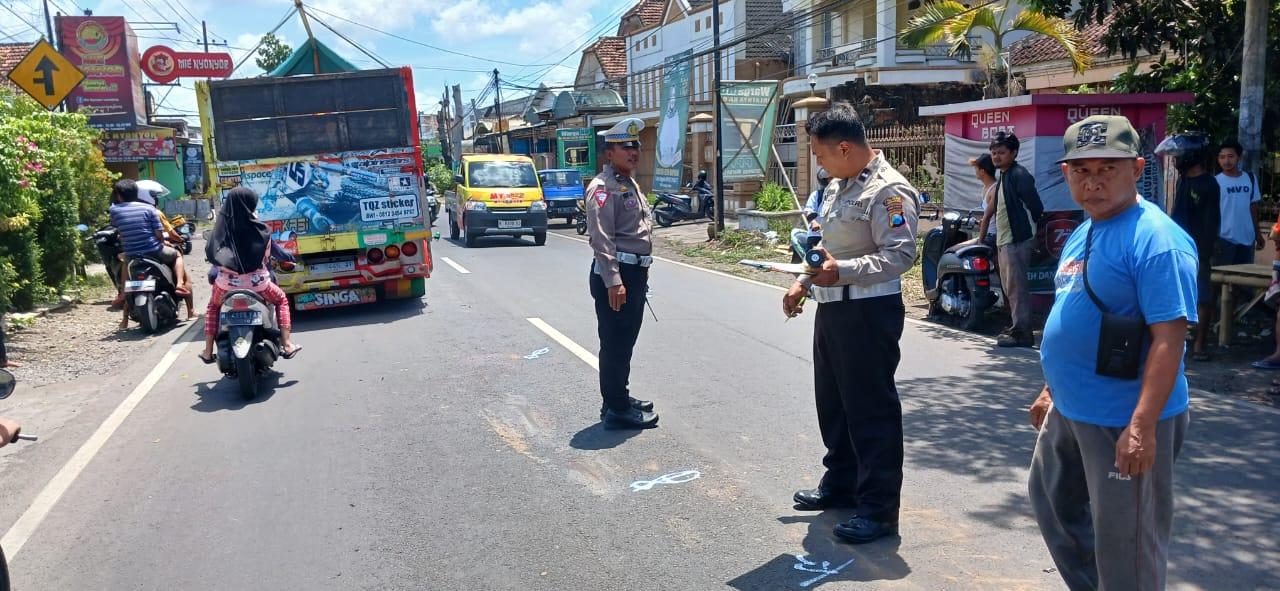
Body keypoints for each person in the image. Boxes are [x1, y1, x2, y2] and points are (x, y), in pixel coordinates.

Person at [1029, 115, 1195, 591]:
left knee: (1128, 547)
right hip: (1072, 406)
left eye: (1108, 168)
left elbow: (1169, 339)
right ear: (1066, 174)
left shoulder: (1157, 240)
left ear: (1137, 168)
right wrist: (1050, 389)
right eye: (1081, 170)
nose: (1093, 181)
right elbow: (1072, 307)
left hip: (1125, 416)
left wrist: (1141, 428)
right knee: (1052, 502)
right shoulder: (1086, 229)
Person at [784, 102, 919, 544]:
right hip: (833, 307)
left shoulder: (890, 192)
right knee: (834, 403)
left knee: (870, 410)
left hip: (868, 313)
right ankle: (840, 484)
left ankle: (879, 510)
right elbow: (822, 245)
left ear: (844, 147)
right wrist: (803, 283)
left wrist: (841, 271)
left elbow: (899, 255)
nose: (818, 163)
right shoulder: (838, 185)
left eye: (821, 155)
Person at [586, 118, 658, 430]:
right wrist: (614, 280)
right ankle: (616, 409)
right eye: (626, 146)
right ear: (609, 152)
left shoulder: (626, 182)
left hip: (634, 273)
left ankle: (618, 397)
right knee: (615, 343)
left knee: (624, 341)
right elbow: (601, 239)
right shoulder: (603, 189)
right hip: (618, 275)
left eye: (636, 145)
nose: (634, 151)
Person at [198, 187, 300, 364]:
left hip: (225, 286)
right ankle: (287, 343)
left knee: (213, 308)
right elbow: (273, 254)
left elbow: (212, 255)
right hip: (259, 285)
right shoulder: (263, 230)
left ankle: (207, 351)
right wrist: (290, 257)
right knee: (281, 300)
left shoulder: (221, 230)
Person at [976, 132, 1044, 348]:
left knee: (1017, 288)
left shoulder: (1019, 175)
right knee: (1010, 287)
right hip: (1005, 240)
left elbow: (1035, 207)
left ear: (1014, 153)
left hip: (1017, 239)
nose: (996, 156)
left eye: (1001, 152)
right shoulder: (1005, 175)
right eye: (994, 153)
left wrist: (1032, 234)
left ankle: (1023, 332)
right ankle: (1017, 326)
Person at [107, 179, 192, 330]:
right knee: (177, 254)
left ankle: (121, 297)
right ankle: (179, 284)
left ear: (119, 195)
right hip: (154, 250)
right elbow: (159, 235)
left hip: (132, 254)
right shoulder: (150, 209)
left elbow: (119, 231)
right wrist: (162, 242)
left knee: (127, 268)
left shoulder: (114, 210)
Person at [1166, 134, 1219, 361]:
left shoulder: (1209, 184)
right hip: (1177, 245)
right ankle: (1179, 340)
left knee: (1203, 296)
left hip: (1199, 249)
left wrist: (1203, 253)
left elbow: (1210, 222)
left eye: (1179, 156)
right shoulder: (1183, 181)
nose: (1176, 161)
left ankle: (1200, 344)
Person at [136, 182, 196, 320]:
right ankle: (189, 307)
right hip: (154, 250)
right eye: (154, 196)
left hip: (134, 252)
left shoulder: (129, 211)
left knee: (129, 282)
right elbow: (169, 233)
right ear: (149, 197)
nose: (156, 199)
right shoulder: (155, 212)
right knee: (180, 262)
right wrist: (180, 240)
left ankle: (124, 319)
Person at [1215, 139, 1264, 266]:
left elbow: (1253, 207)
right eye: (1222, 157)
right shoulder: (1215, 182)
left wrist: (1258, 233)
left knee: (1244, 282)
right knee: (1221, 281)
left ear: (1239, 157)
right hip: (1223, 239)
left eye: (1231, 156)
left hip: (1247, 240)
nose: (1226, 161)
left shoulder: (1250, 179)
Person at [970, 154, 999, 249]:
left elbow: (987, 217)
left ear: (982, 171)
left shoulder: (994, 190)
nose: (975, 171)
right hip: (988, 234)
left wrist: (980, 242)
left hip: (993, 236)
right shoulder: (985, 188)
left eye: (976, 169)